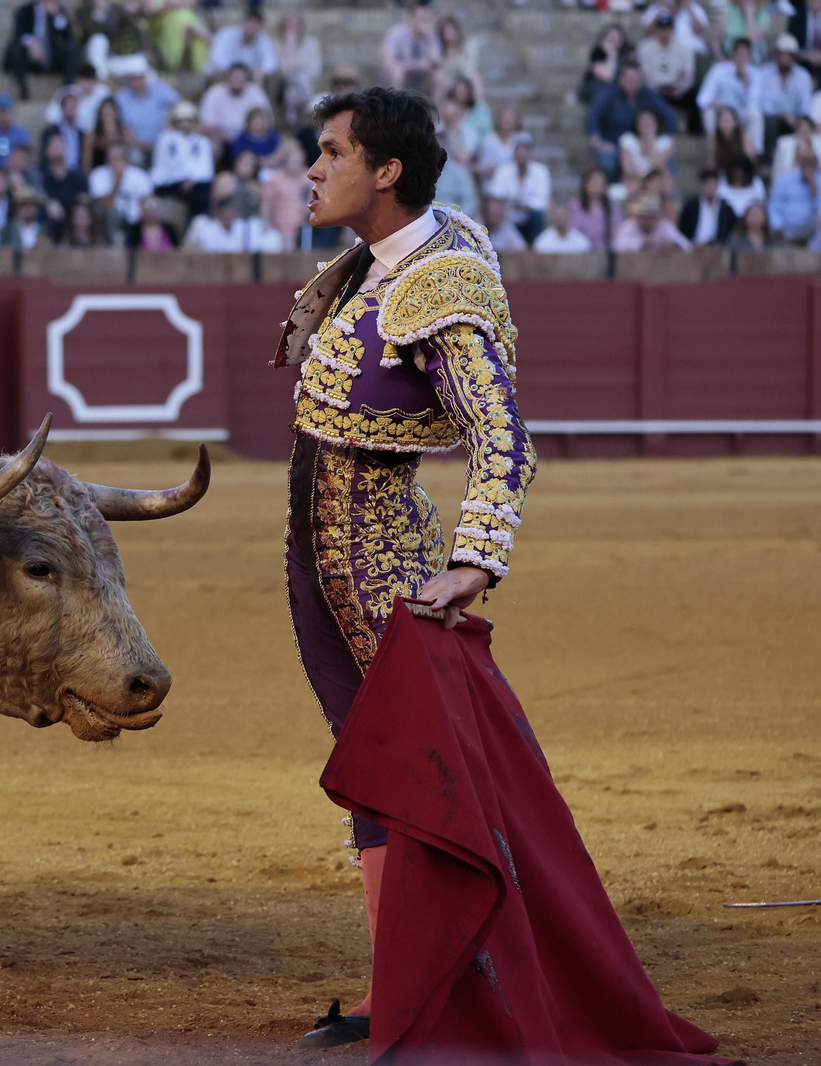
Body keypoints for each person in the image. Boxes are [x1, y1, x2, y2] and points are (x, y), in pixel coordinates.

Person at [275, 84, 536, 1049]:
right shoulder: (383, 260)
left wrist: (474, 560)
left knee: (418, 767)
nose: (313, 167)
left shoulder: (436, 281)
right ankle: (402, 985)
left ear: (386, 173)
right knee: (374, 762)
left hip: (383, 566)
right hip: (321, 557)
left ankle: (453, 980)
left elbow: (503, 435)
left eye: (332, 152)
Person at [586, 64, 678, 179]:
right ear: (621, 79)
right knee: (606, 159)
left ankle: (666, 195)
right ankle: (612, 191)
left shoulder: (649, 96)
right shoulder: (608, 95)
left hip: (643, 145)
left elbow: (670, 117)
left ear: (641, 80)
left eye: (635, 79)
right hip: (614, 145)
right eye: (628, 78)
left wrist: (669, 142)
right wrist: (598, 142)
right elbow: (593, 117)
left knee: (668, 163)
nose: (632, 82)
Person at [148, 100, 214, 220]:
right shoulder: (165, 139)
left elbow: (206, 167)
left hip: (195, 182)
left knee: (202, 192)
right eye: (181, 120)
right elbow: (161, 164)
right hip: (170, 180)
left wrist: (192, 179)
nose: (185, 124)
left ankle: (196, 226)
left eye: (189, 120)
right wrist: (180, 178)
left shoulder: (202, 141)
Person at [697, 38, 763, 155]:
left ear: (750, 56)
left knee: (755, 114)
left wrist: (745, 81)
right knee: (708, 113)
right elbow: (702, 98)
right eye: (739, 54)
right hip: (721, 112)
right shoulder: (718, 69)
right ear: (733, 54)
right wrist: (715, 105)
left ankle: (754, 154)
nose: (741, 58)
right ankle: (713, 153)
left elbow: (754, 103)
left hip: (741, 113)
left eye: (745, 55)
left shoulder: (755, 74)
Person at [113, 55, 181, 162]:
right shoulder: (122, 98)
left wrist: (171, 127)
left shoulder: (159, 88)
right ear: (127, 80)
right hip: (137, 147)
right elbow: (126, 131)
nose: (136, 81)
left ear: (144, 76)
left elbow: (179, 105)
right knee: (135, 157)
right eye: (132, 78)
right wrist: (148, 146)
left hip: (164, 143)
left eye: (139, 77)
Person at [485, 133, 551, 243]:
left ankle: (535, 249)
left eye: (524, 152)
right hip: (508, 215)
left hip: (530, 216)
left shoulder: (541, 171)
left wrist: (525, 205)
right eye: (518, 152)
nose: (521, 155)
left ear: (530, 154)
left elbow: (543, 201)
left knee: (537, 217)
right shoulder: (503, 170)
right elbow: (495, 195)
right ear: (514, 153)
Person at [199, 64, 274, 155]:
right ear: (228, 79)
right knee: (211, 146)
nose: (237, 81)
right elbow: (207, 126)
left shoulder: (256, 93)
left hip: (249, 140)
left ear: (247, 80)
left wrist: (246, 137)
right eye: (234, 77)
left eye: (240, 78)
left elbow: (268, 121)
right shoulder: (215, 93)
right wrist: (228, 138)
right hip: (222, 140)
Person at [756, 35, 814, 149]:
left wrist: (798, 120)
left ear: (794, 57)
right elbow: (763, 104)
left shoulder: (803, 76)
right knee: (771, 123)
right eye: (782, 54)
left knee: (805, 125)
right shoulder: (764, 72)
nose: (784, 58)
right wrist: (784, 116)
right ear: (777, 55)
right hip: (771, 118)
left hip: (795, 119)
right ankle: (769, 159)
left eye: (788, 55)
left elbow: (806, 106)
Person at [636, 13, 696, 116]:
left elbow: (689, 74)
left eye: (667, 29)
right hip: (653, 88)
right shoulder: (644, 47)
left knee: (695, 95)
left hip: (676, 89)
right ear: (656, 30)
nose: (664, 32)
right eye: (661, 29)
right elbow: (643, 73)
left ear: (672, 30)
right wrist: (654, 89)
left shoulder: (684, 49)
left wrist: (681, 89)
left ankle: (694, 129)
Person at [88, 140, 154, 234]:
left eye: (120, 158)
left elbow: (148, 201)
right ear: (107, 160)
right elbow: (106, 206)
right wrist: (117, 181)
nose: (117, 163)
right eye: (113, 158)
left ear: (127, 159)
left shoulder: (140, 176)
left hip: (138, 221)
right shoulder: (98, 175)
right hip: (109, 221)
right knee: (112, 215)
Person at [183, 194, 282, 251]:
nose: (228, 217)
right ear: (218, 214)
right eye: (225, 213)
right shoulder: (205, 228)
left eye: (232, 213)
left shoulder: (245, 228)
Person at [277, 10, 324, 127]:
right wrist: (290, 44)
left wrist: (298, 70)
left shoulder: (312, 44)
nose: (294, 28)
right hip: (284, 86)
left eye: (296, 25)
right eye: (290, 25)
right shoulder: (277, 45)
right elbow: (284, 72)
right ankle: (308, 110)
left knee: (297, 85)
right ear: (283, 27)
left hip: (305, 85)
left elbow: (315, 72)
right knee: (292, 87)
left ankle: (292, 117)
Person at [382, 3, 440, 97]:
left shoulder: (431, 37)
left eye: (427, 19)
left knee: (438, 77)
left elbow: (435, 61)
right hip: (404, 73)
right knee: (397, 71)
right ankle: (397, 107)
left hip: (422, 76)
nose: (425, 23)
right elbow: (389, 61)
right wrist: (418, 65)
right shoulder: (396, 34)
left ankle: (435, 109)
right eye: (422, 19)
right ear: (411, 19)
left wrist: (430, 38)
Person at [77, 0, 144, 81]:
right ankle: (100, 78)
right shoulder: (83, 11)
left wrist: (135, 9)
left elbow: (134, 27)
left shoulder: (117, 9)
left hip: (113, 54)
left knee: (139, 63)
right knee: (99, 39)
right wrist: (98, 13)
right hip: (93, 53)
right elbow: (86, 33)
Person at [767, 142, 821, 241]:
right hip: (786, 230)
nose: (809, 165)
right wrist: (778, 227)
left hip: (813, 234)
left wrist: (814, 190)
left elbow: (819, 213)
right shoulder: (785, 179)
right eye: (806, 161)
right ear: (800, 162)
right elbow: (774, 205)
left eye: (813, 161)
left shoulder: (819, 181)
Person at [39, 131, 89, 238]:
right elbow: (37, 195)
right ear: (47, 150)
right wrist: (47, 203)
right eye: (54, 146)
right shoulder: (41, 177)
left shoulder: (78, 177)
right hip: (50, 224)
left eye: (60, 145)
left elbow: (85, 198)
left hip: (72, 223)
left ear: (66, 149)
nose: (57, 148)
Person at [207, 11, 280, 78]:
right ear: (243, 22)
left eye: (257, 23)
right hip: (224, 75)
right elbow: (218, 59)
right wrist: (237, 72)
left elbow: (271, 62)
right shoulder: (226, 34)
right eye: (250, 22)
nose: (253, 26)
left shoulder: (263, 39)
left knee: (272, 76)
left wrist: (261, 71)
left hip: (249, 77)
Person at [618, 108, 677, 193]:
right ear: (637, 124)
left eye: (649, 122)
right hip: (635, 179)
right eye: (642, 122)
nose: (645, 124)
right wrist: (644, 181)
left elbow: (657, 165)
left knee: (666, 180)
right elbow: (627, 169)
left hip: (655, 179)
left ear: (656, 124)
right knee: (630, 185)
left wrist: (650, 141)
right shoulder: (628, 139)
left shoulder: (664, 141)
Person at [144, 0, 210, 74]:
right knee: (192, 26)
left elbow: (191, 3)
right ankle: (211, 42)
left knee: (190, 24)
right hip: (165, 24)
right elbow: (150, 11)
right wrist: (168, 5)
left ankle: (203, 60)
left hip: (186, 18)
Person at [613, 192, 692, 250]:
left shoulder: (665, 226)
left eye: (650, 216)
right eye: (644, 216)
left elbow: (687, 246)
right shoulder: (629, 226)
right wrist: (642, 243)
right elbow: (616, 245)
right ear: (638, 216)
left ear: (656, 217)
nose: (647, 219)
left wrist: (672, 245)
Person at [677, 167, 737, 244]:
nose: (710, 187)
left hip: (718, 249)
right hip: (694, 247)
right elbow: (683, 231)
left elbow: (731, 232)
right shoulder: (690, 207)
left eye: (713, 183)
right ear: (701, 185)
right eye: (706, 184)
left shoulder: (726, 209)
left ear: (717, 185)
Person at [579, 22, 633, 106]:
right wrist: (611, 56)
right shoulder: (596, 58)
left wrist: (613, 57)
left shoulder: (627, 59)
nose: (615, 43)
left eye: (618, 40)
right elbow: (608, 78)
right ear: (603, 41)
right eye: (611, 39)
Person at [0, 94, 34, 171]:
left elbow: (27, 160)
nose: (3, 116)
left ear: (12, 111)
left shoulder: (22, 134)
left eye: (5, 111)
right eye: (0, 112)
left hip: (16, 172)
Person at [638, 0, 710, 58]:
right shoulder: (656, 8)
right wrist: (661, 9)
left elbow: (700, 31)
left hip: (692, 52)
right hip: (662, 53)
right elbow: (648, 32)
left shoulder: (695, 7)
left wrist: (689, 9)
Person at [41, 92, 85, 171]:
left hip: (77, 173)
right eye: (69, 106)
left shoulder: (81, 133)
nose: (71, 109)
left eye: (73, 106)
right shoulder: (50, 132)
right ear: (62, 108)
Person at [772, 115, 821, 181]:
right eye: (802, 129)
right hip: (790, 181)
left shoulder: (819, 143)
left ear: (811, 130)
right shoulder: (784, 143)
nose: (804, 131)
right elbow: (777, 168)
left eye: (807, 129)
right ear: (796, 130)